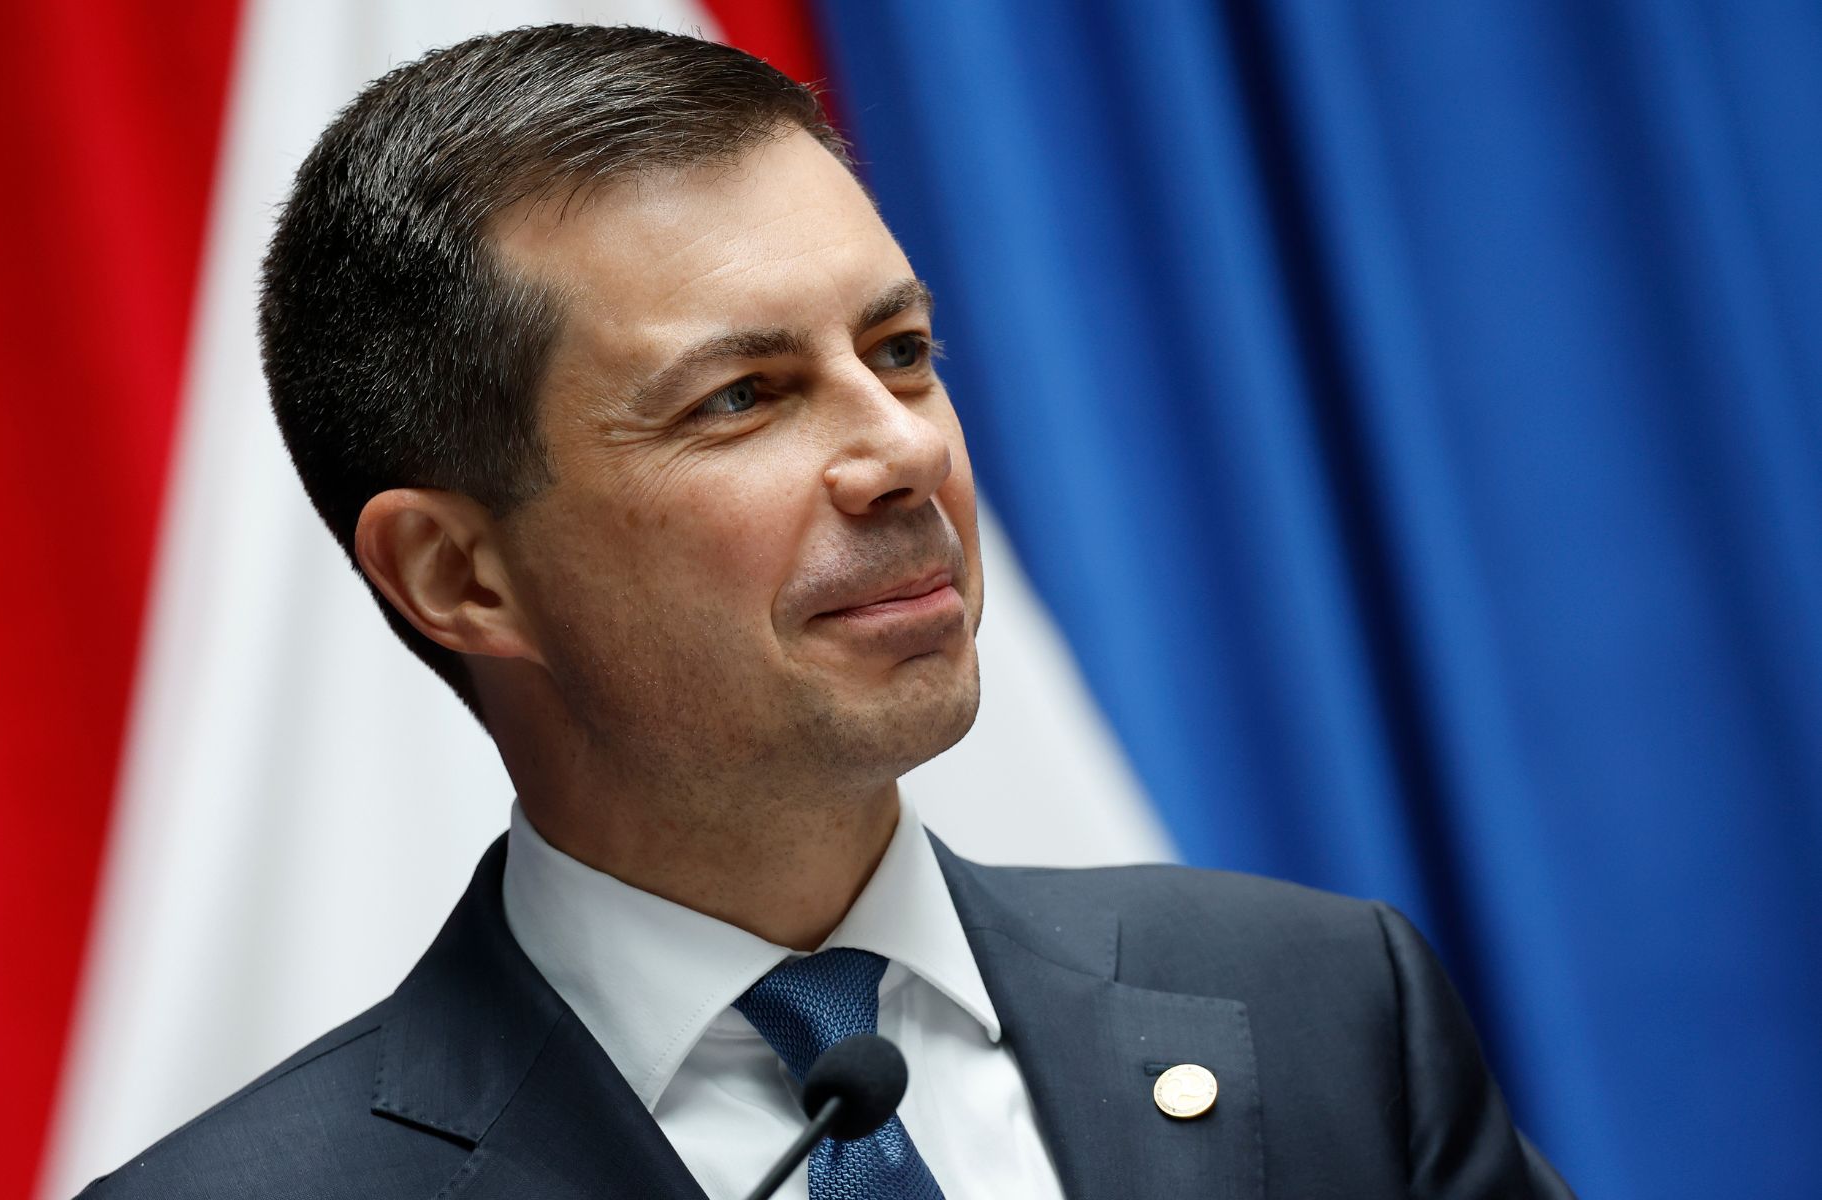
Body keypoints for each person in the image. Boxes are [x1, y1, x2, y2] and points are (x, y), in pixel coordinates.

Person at [80, 25, 1572, 1200]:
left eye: (903, 350)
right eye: (744, 397)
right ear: (460, 576)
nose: (907, 451)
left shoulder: (1323, 1010)